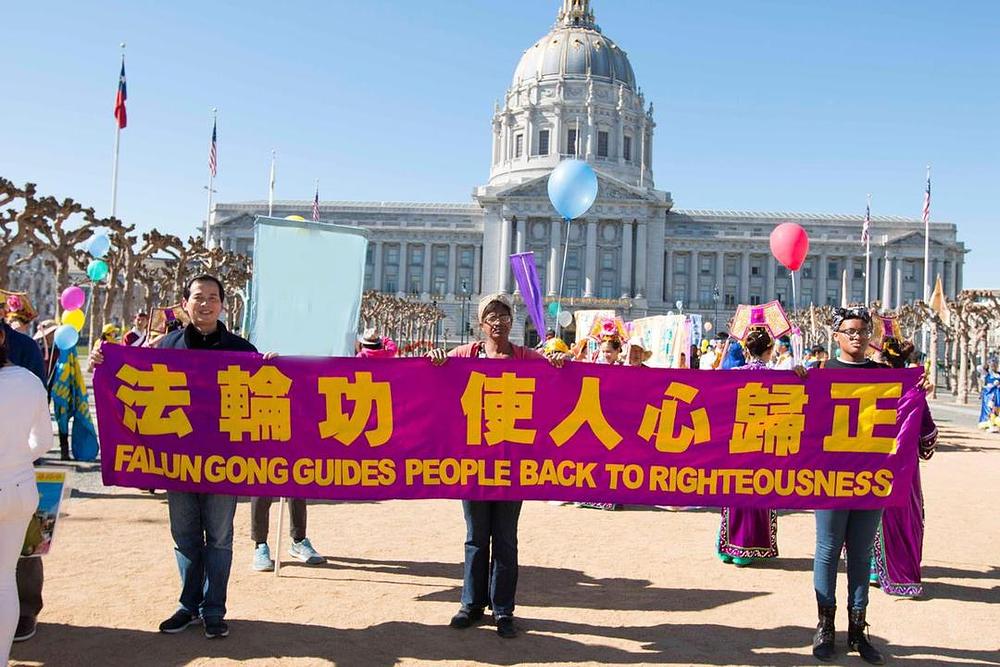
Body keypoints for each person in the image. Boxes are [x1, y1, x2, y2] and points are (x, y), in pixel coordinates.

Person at [92, 275, 271, 640]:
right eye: (198, 297)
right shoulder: (166, 347)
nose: (205, 304)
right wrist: (102, 361)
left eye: (212, 298)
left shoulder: (242, 349)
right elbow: (133, 384)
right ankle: (188, 606)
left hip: (225, 464)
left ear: (223, 305)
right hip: (178, 464)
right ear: (185, 303)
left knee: (219, 539)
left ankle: (214, 609)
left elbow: (266, 398)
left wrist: (272, 367)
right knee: (185, 536)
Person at [428, 293, 567, 639]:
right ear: (481, 323)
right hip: (474, 464)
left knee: (505, 539)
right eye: (491, 316)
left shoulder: (525, 357)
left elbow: (555, 376)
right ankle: (471, 605)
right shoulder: (466, 355)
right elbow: (434, 377)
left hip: (512, 465)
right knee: (476, 538)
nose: (498, 322)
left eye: (504, 315)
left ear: (512, 321)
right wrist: (434, 360)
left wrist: (557, 361)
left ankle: (503, 610)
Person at [811, 306, 887, 664]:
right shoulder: (821, 372)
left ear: (870, 335)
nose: (857, 336)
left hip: (871, 479)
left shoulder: (887, 375)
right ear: (836, 335)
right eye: (850, 330)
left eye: (862, 330)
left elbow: (908, 419)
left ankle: (858, 628)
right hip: (830, 477)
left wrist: (920, 390)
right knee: (827, 550)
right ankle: (826, 626)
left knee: (861, 554)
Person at [870, 337, 938, 597]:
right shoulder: (913, 392)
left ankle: (872, 568)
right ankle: (897, 575)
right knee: (900, 518)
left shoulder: (864, 388)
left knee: (866, 515)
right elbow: (928, 434)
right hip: (903, 469)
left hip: (867, 463)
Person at [0, 325, 49, 663]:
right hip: (17, 489)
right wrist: (16, 457)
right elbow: (42, 442)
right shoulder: (28, 381)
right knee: (4, 581)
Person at [716, 328, 781, 567]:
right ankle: (748, 548)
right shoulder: (779, 377)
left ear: (746, 349)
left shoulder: (731, 375)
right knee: (758, 494)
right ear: (769, 351)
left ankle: (726, 547)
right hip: (764, 443)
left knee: (733, 493)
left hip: (736, 442)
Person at [978, 361, 1000, 433]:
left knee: (996, 410)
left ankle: (995, 425)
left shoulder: (998, 374)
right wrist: (986, 365)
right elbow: (979, 368)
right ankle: (989, 425)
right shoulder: (987, 374)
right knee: (990, 409)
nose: (994, 366)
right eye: (992, 365)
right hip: (989, 395)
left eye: (995, 365)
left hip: (998, 394)